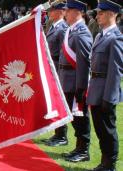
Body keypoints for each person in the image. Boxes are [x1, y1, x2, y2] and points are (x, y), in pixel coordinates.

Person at [86, 1, 122, 170]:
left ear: (112, 14)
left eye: (101, 13)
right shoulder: (100, 35)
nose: (97, 16)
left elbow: (115, 71)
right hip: (95, 89)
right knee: (100, 129)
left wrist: (109, 97)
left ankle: (110, 164)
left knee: (108, 129)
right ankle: (104, 161)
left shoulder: (116, 37)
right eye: (98, 13)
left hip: (105, 92)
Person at [59, 0, 93, 163]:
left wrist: (81, 88)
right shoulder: (71, 30)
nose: (65, 13)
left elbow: (84, 63)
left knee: (80, 117)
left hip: (75, 82)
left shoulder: (81, 32)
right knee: (74, 118)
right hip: (67, 79)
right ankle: (79, 148)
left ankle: (84, 150)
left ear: (78, 12)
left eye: (68, 10)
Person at [42, 1, 69, 146]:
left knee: (59, 102)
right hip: (51, 68)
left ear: (60, 12)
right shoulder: (52, 26)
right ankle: (57, 134)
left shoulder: (63, 28)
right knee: (54, 102)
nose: (49, 12)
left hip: (58, 69)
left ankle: (62, 136)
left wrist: (57, 72)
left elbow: (62, 53)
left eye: (52, 10)